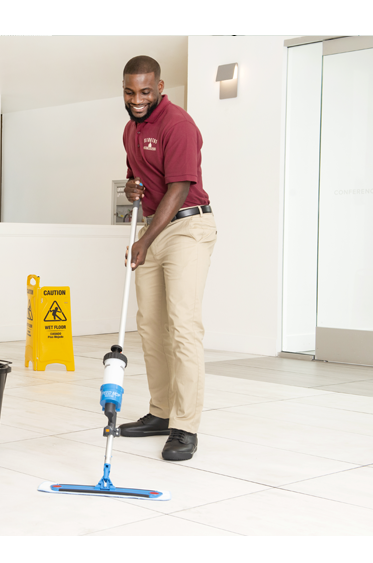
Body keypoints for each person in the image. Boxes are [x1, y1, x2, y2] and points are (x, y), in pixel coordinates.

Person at [117, 55, 217, 461]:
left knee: (183, 327)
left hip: (187, 228)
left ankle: (185, 425)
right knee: (150, 326)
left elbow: (178, 188)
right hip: (156, 227)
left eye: (145, 91)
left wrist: (145, 240)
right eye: (129, 91)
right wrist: (131, 189)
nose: (137, 99)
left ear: (160, 87)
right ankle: (161, 412)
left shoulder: (179, 125)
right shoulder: (130, 129)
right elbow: (137, 179)